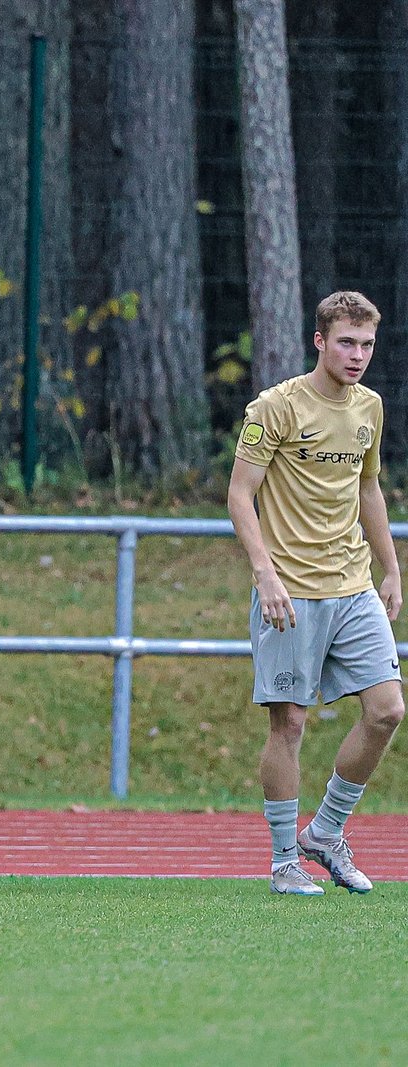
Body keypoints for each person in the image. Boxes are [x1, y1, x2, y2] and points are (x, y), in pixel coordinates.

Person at [228, 290, 403, 896]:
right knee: (290, 724)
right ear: (320, 341)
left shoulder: (370, 407)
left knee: (388, 710)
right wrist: (264, 573)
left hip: (353, 585)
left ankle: (325, 831)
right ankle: (284, 861)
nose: (358, 355)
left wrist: (391, 569)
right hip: (291, 591)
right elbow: (240, 495)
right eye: (347, 342)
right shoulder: (275, 406)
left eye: (367, 345)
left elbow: (368, 489)